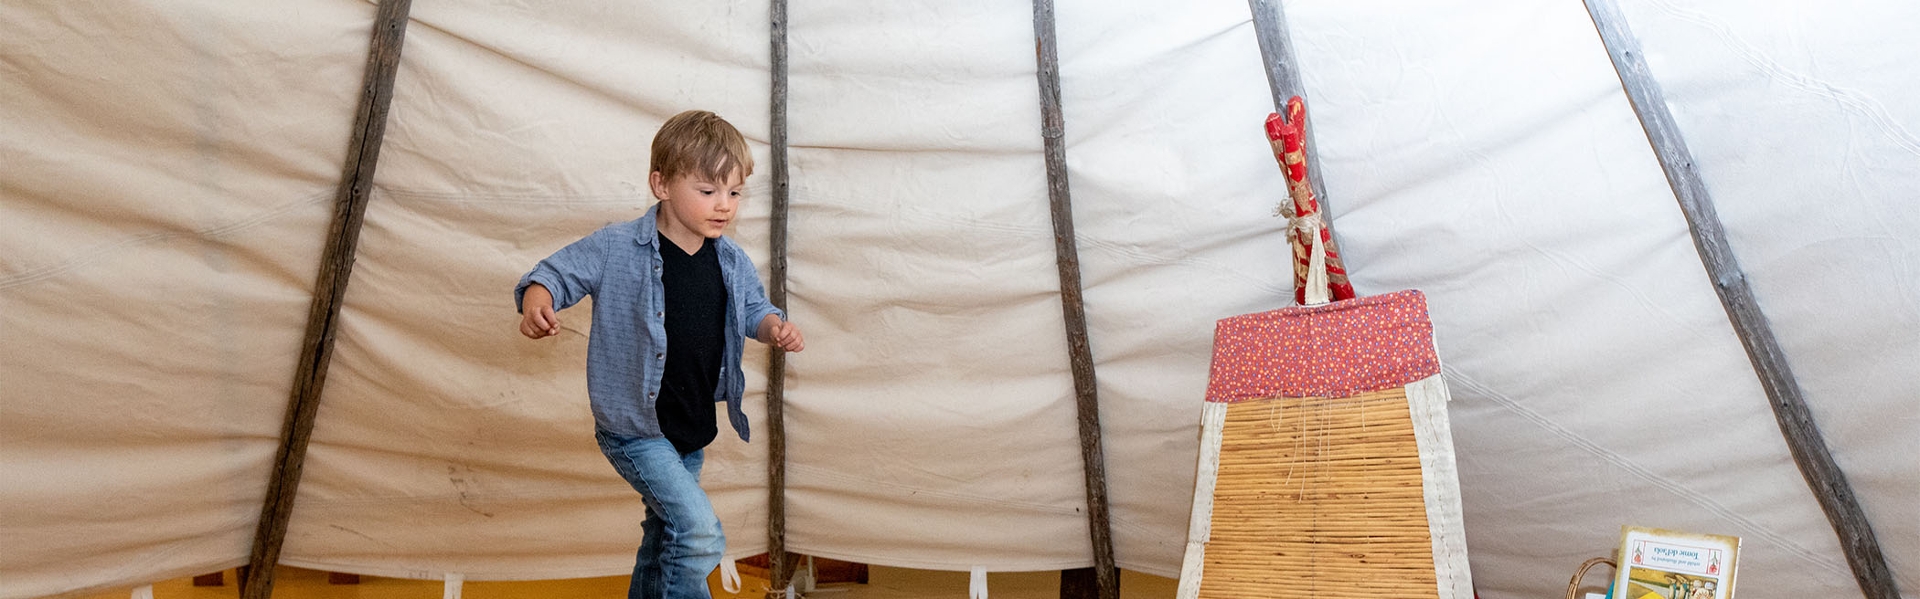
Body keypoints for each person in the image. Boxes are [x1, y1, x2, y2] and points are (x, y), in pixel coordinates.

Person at [515, 110, 805, 599]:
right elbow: (553, 274)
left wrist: (773, 326)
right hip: (634, 428)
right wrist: (537, 303)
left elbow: (753, 307)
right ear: (661, 184)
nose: (724, 206)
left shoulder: (729, 259)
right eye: (708, 191)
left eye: (734, 193)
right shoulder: (616, 247)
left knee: (666, 535)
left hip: (688, 429)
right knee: (697, 533)